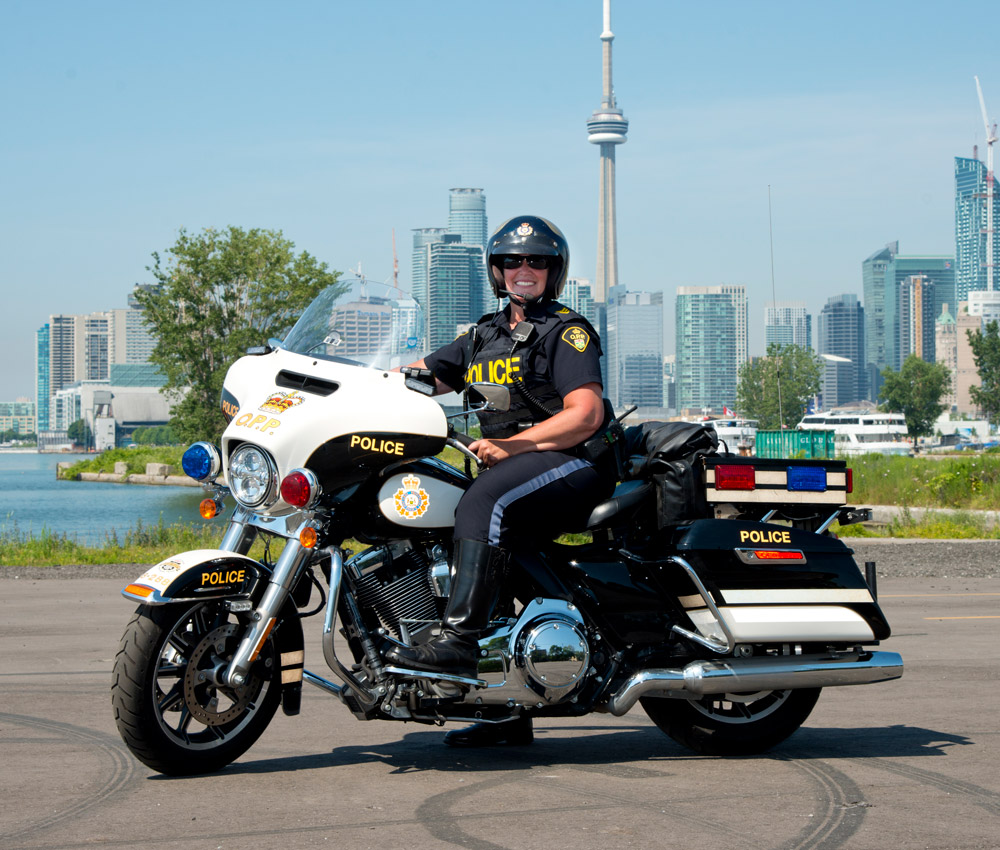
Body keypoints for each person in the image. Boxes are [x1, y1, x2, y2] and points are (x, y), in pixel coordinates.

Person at [386, 215, 618, 747]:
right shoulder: (482, 337)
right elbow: (412, 378)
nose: (524, 270)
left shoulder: (567, 331)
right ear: (497, 270)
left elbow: (586, 414)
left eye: (536, 260)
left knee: (482, 500)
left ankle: (460, 642)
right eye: (512, 261)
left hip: (575, 463)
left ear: (553, 270)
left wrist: (517, 443)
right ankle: (502, 708)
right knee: (458, 520)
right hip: (519, 468)